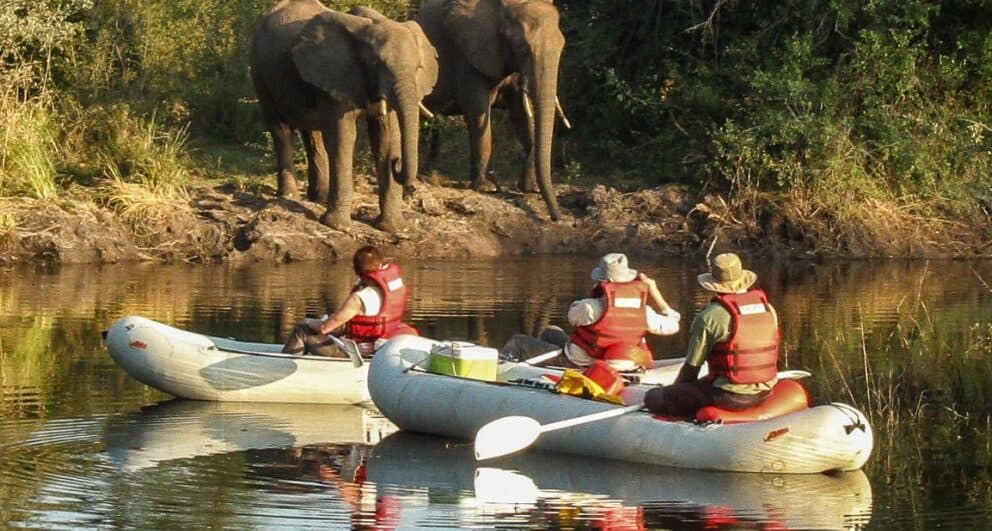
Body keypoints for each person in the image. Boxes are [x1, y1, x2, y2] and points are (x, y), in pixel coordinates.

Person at [643, 252, 779, 418]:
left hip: (729, 397)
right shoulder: (769, 309)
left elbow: (691, 369)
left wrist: (673, 393)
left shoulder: (708, 317)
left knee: (652, 398)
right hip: (766, 390)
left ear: (713, 284)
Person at [501, 253, 681, 371]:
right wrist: (655, 292)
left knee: (518, 342)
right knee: (550, 330)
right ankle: (537, 372)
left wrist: (594, 294)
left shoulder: (589, 308)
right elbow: (674, 324)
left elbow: (573, 317)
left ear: (602, 282)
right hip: (613, 359)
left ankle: (502, 373)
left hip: (578, 362)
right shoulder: (645, 312)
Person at [282, 245, 418, 357]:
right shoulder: (394, 288)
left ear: (357, 271)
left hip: (358, 354)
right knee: (339, 328)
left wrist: (307, 321)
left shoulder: (358, 299)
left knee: (302, 330)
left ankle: (283, 366)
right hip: (379, 347)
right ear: (381, 264)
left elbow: (324, 328)